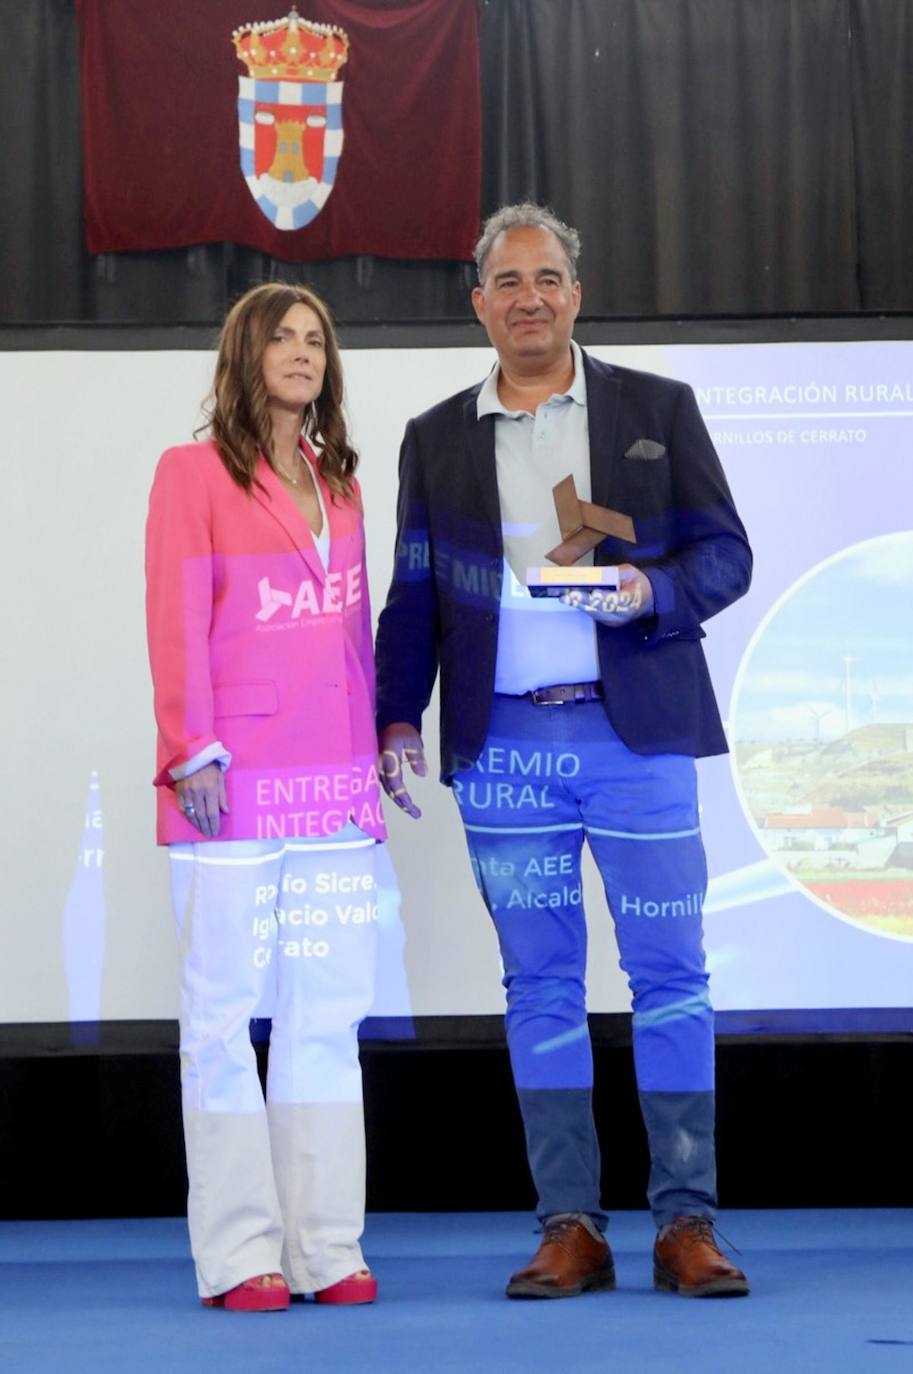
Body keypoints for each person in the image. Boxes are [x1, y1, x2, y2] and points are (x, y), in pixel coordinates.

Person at [374, 204, 753, 1299]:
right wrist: (398, 713)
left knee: (670, 976)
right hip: (505, 754)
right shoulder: (435, 435)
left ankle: (686, 1225)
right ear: (479, 302)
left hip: (635, 740)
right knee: (538, 984)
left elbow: (725, 554)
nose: (528, 297)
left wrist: (648, 589)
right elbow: (410, 592)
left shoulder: (655, 409)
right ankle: (570, 1226)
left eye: (547, 278)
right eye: (507, 281)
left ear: (576, 295)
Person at [146, 283, 387, 1311]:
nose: (303, 353)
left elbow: (350, 634)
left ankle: (326, 1248)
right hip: (229, 787)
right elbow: (173, 615)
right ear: (244, 355)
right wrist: (188, 747)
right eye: (283, 338)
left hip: (332, 785)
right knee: (220, 1017)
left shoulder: (340, 482)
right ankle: (242, 1251)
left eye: (316, 340)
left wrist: (374, 749)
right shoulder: (189, 473)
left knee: (327, 1015)